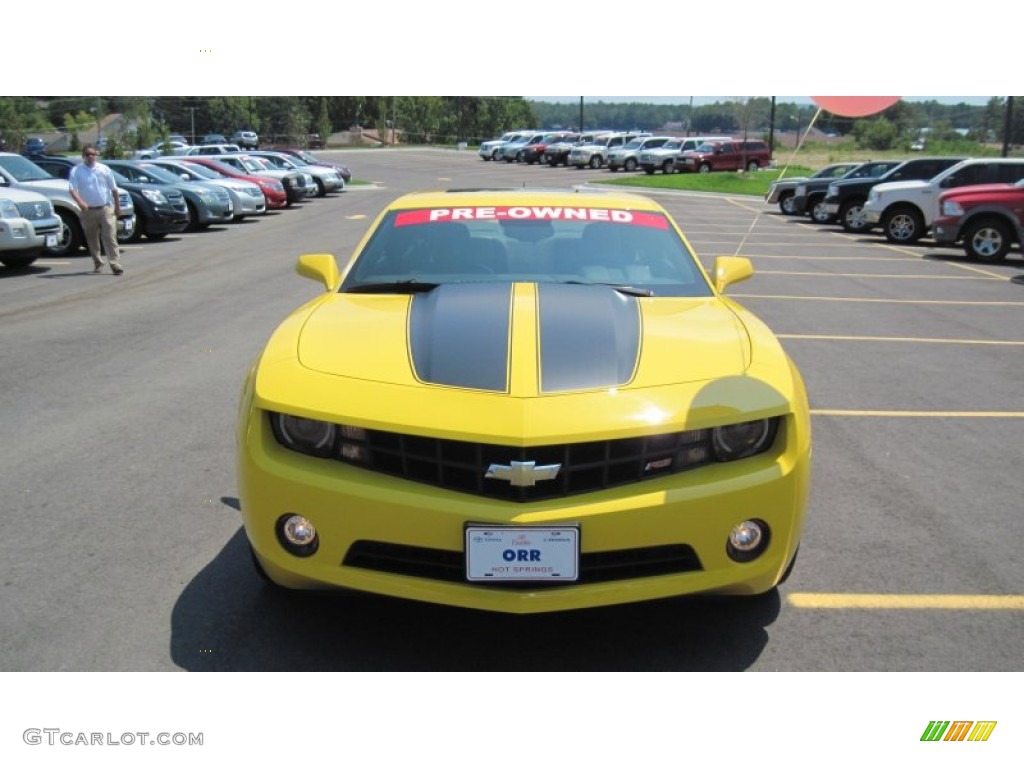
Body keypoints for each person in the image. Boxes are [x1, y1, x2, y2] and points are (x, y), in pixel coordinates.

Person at [68, 144, 124, 275]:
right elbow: (72, 189)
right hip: (88, 210)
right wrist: (81, 203)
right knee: (92, 238)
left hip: (105, 208)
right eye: (87, 154)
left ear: (96, 155)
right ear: (83, 156)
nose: (90, 157)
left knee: (110, 236)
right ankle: (98, 262)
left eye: (93, 154)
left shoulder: (104, 169)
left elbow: (114, 189)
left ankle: (115, 264)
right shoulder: (77, 171)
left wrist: (117, 206)